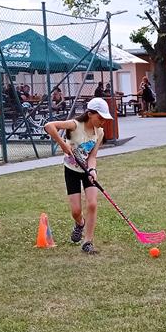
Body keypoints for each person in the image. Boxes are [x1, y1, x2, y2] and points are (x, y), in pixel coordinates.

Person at [44, 97, 114, 255]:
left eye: (105, 118)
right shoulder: (75, 125)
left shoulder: (100, 132)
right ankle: (80, 223)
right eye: (100, 118)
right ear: (90, 114)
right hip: (71, 170)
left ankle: (87, 242)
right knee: (76, 211)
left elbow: (92, 156)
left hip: (87, 171)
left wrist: (92, 170)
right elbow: (49, 126)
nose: (103, 121)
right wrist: (63, 144)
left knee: (92, 204)